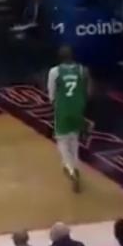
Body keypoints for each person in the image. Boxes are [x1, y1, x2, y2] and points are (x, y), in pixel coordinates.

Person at [47, 46, 90, 192]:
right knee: (74, 140)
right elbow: (87, 90)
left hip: (63, 110)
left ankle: (70, 169)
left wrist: (55, 104)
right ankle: (75, 167)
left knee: (62, 141)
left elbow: (51, 94)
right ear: (72, 56)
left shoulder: (54, 71)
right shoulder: (82, 69)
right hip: (78, 109)